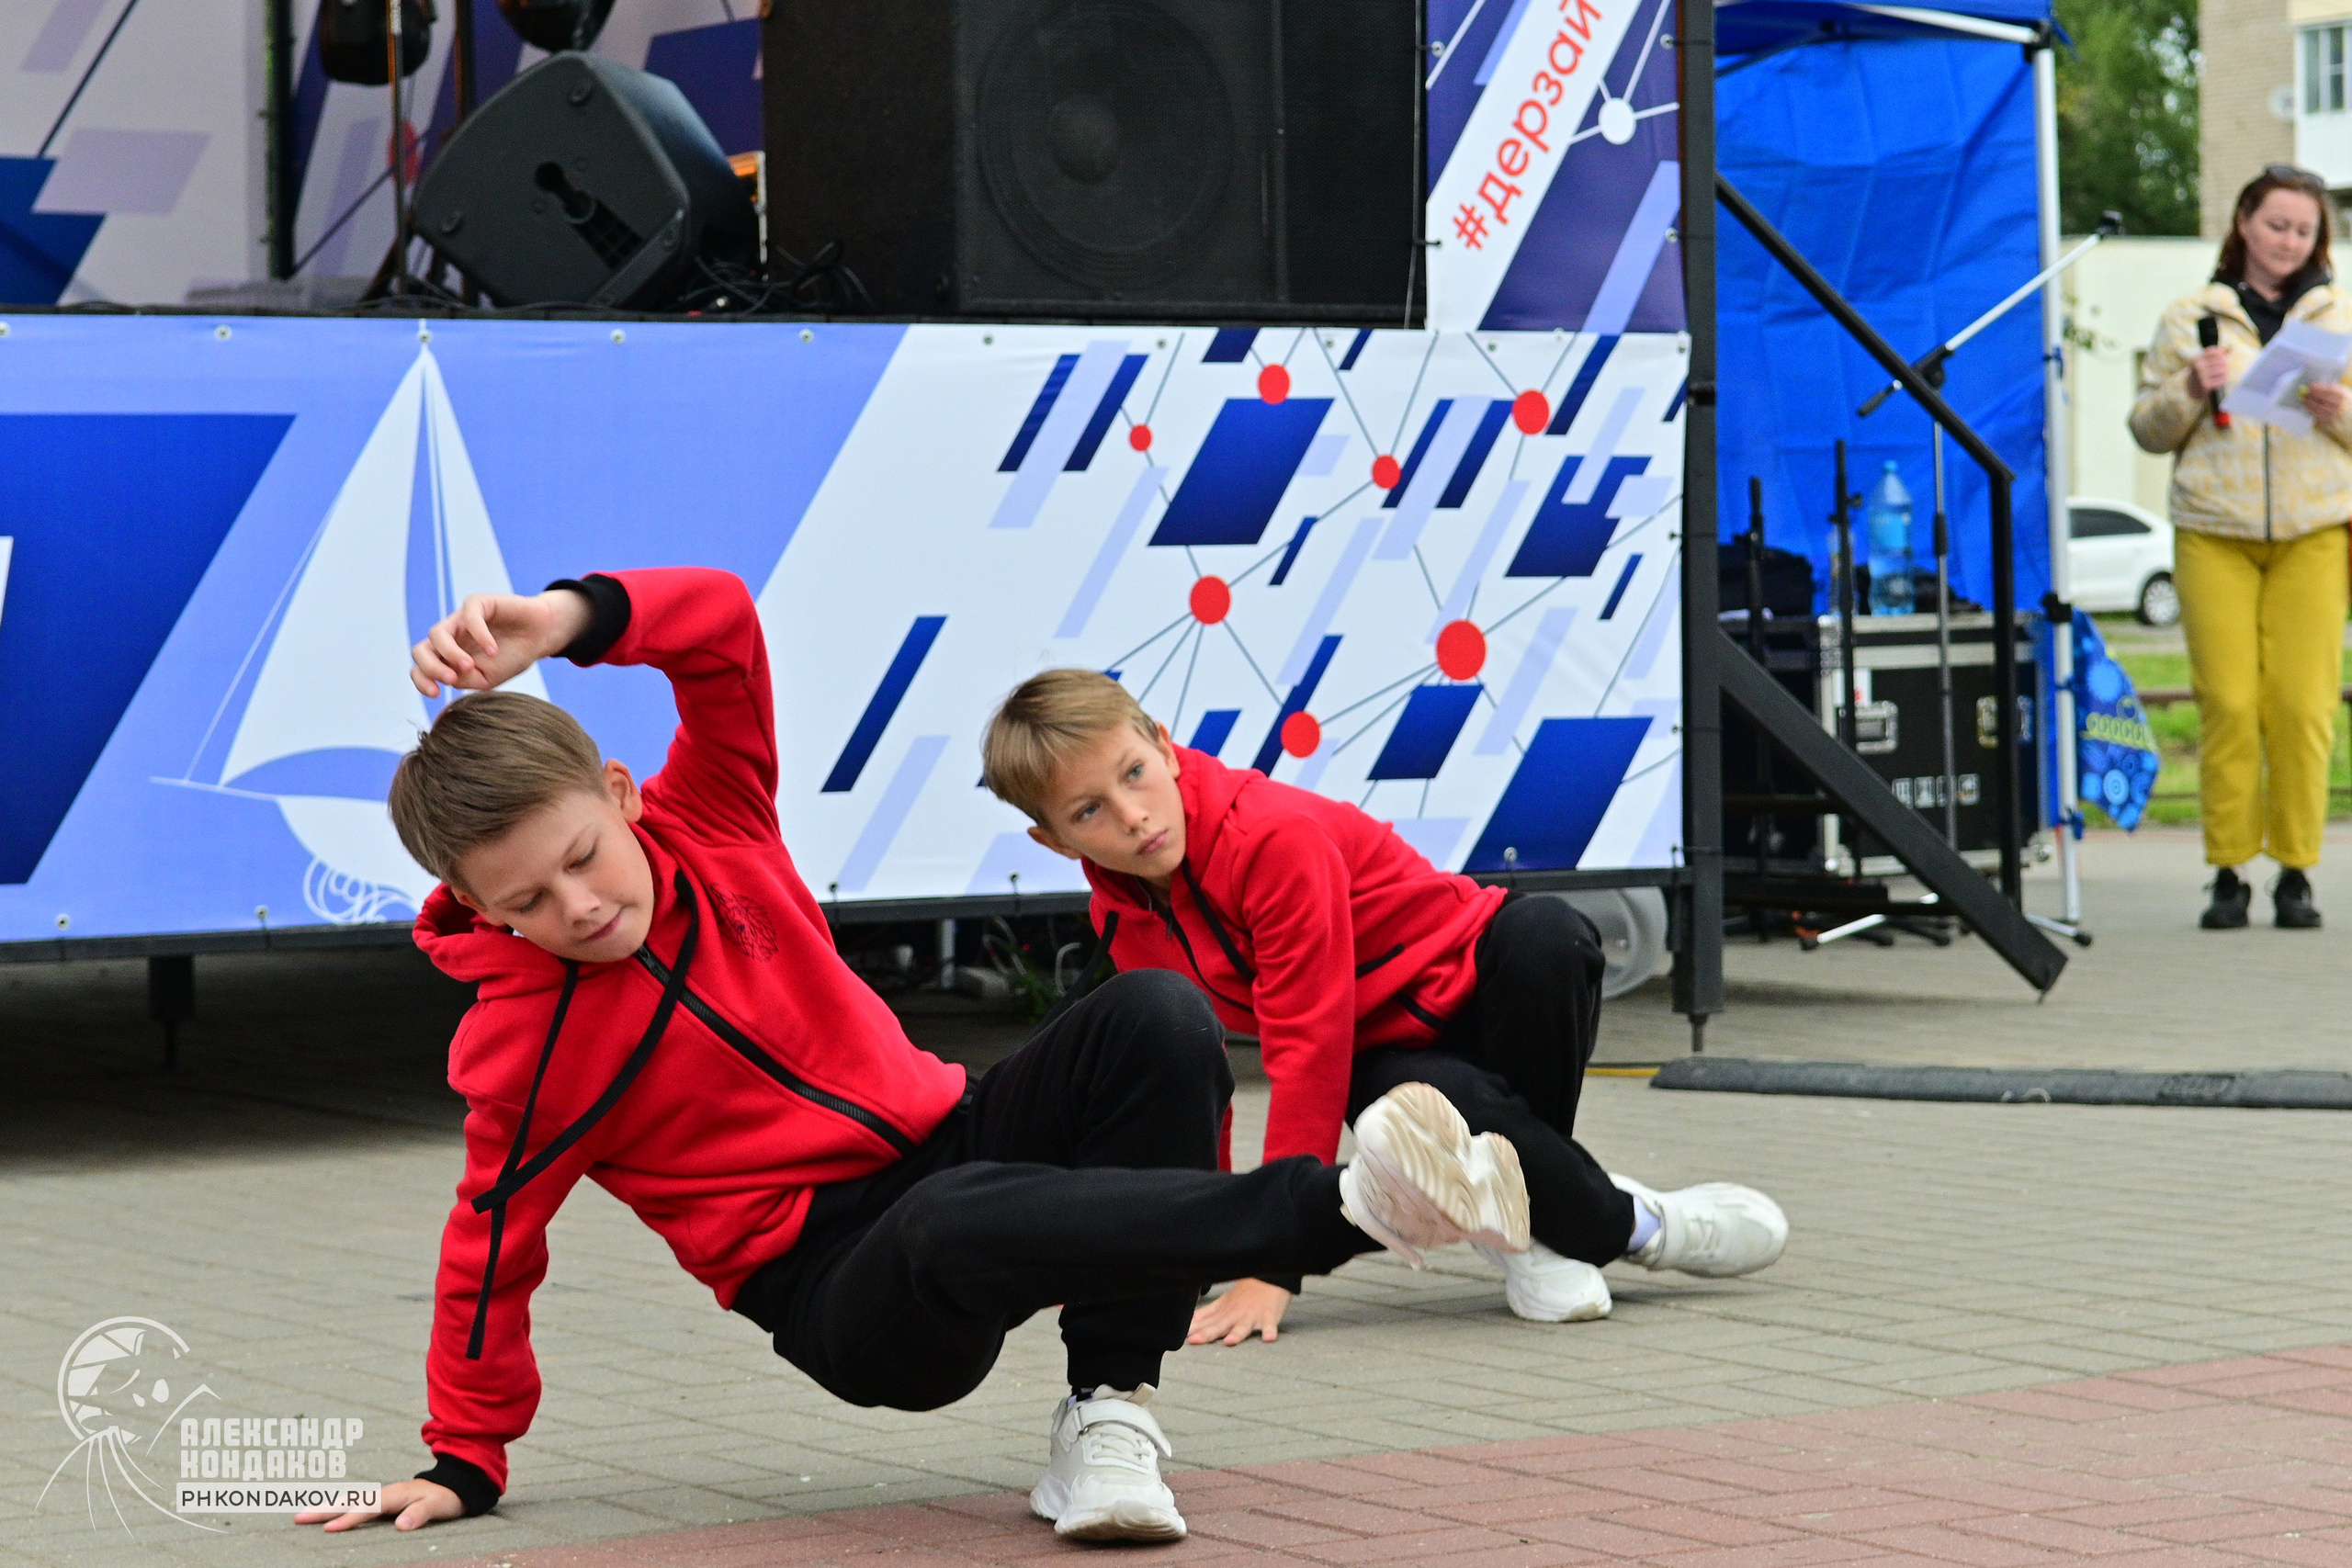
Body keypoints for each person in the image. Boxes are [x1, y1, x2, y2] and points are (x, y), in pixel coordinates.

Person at [292, 569, 1534, 1547]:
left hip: (949, 1130)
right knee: (948, 1218)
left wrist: (561, 619)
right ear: (476, 905)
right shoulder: (522, 1045)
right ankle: (1346, 1207)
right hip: (840, 1283)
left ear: (620, 791)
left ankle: (1109, 1419)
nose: (576, 905)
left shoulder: (715, 818)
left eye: (582, 856)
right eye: (525, 900)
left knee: (1153, 1011)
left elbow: (719, 622)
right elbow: (491, 1242)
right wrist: (466, 1454)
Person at [981, 669, 1788, 1346]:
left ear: (1162, 742)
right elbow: (1197, 1075)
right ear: (1053, 840)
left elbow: (1305, 1040)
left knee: (1551, 933)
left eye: (1133, 773)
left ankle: (1534, 1221)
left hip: (1476, 974)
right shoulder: (1119, 912)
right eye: (1089, 810)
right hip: (1383, 1042)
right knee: (1432, 1102)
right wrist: (1191, 1248)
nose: (1134, 815)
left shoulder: (1272, 838)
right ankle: (1642, 1227)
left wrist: (1275, 1262)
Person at [2131, 164, 2352, 931]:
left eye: (2305, 229)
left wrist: (2339, 409)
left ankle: (2296, 870)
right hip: (2212, 528)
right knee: (2227, 701)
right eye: (2276, 224)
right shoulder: (2189, 314)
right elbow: (2147, 429)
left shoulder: (2338, 318)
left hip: (2314, 530)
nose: (2290, 241)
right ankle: (2228, 871)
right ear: (2243, 224)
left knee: (2301, 704)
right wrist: (2189, 389)